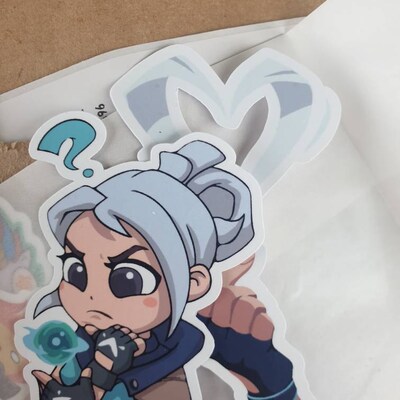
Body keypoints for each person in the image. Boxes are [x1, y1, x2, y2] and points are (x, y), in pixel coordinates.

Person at [27, 139, 297, 400]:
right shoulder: (79, 342)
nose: (92, 297)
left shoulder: (165, 368)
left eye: (128, 279)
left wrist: (265, 371)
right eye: (76, 272)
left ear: (193, 282)